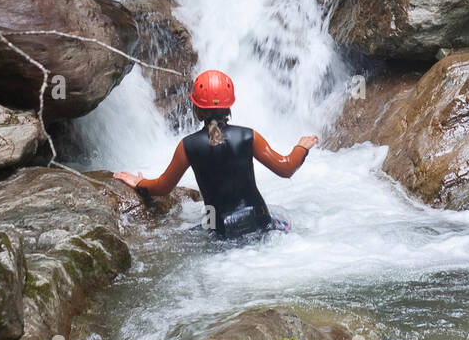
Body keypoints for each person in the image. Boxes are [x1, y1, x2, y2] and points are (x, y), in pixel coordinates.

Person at [114, 70, 318, 241]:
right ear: (229, 106)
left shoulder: (188, 146)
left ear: (196, 108)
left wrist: (140, 183)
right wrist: (301, 147)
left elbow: (163, 186)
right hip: (260, 220)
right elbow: (286, 167)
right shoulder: (248, 136)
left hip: (219, 227)